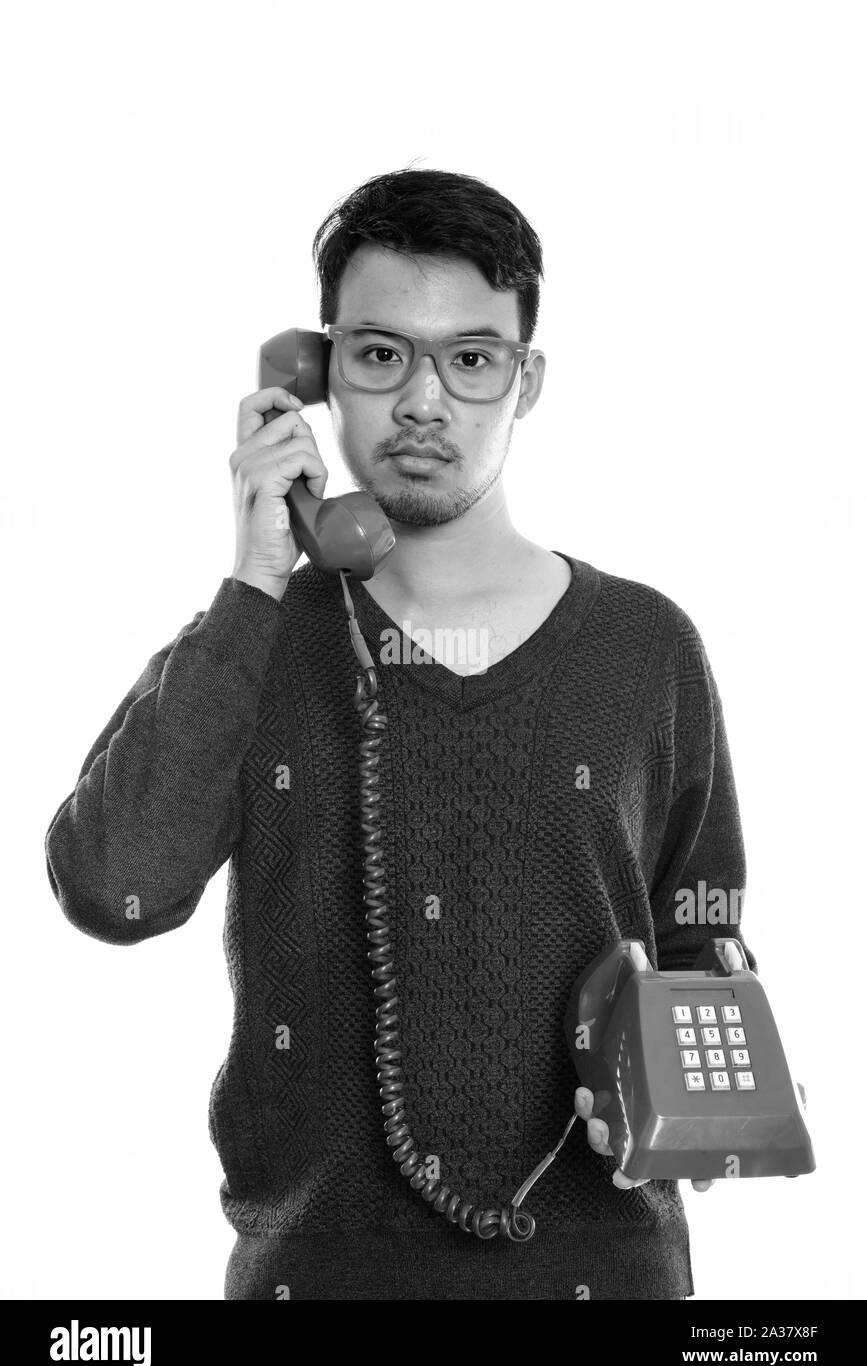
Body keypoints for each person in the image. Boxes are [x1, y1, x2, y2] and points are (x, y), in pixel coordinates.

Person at [44, 166, 756, 1301]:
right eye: (381, 355)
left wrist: (686, 1113)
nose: (425, 400)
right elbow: (113, 889)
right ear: (316, 375)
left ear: (526, 382)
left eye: (471, 359)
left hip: (602, 1276)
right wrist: (256, 576)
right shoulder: (252, 641)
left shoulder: (647, 647)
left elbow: (701, 943)